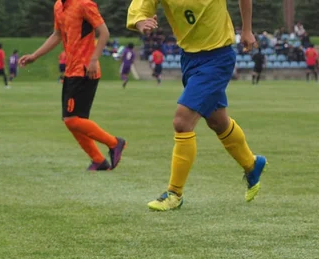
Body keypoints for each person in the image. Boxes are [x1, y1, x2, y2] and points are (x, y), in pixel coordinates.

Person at [127, 0, 267, 211]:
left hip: (218, 57)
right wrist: (140, 22)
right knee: (218, 121)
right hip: (189, 59)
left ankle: (174, 193)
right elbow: (140, 6)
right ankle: (252, 164)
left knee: (182, 121)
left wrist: (246, 30)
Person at [19, 0, 126, 171]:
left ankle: (114, 143)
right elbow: (57, 35)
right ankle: (98, 160)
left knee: (72, 119)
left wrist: (93, 59)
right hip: (71, 70)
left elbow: (104, 32)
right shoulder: (58, 7)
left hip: (85, 70)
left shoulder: (84, 4)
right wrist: (34, 56)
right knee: (72, 120)